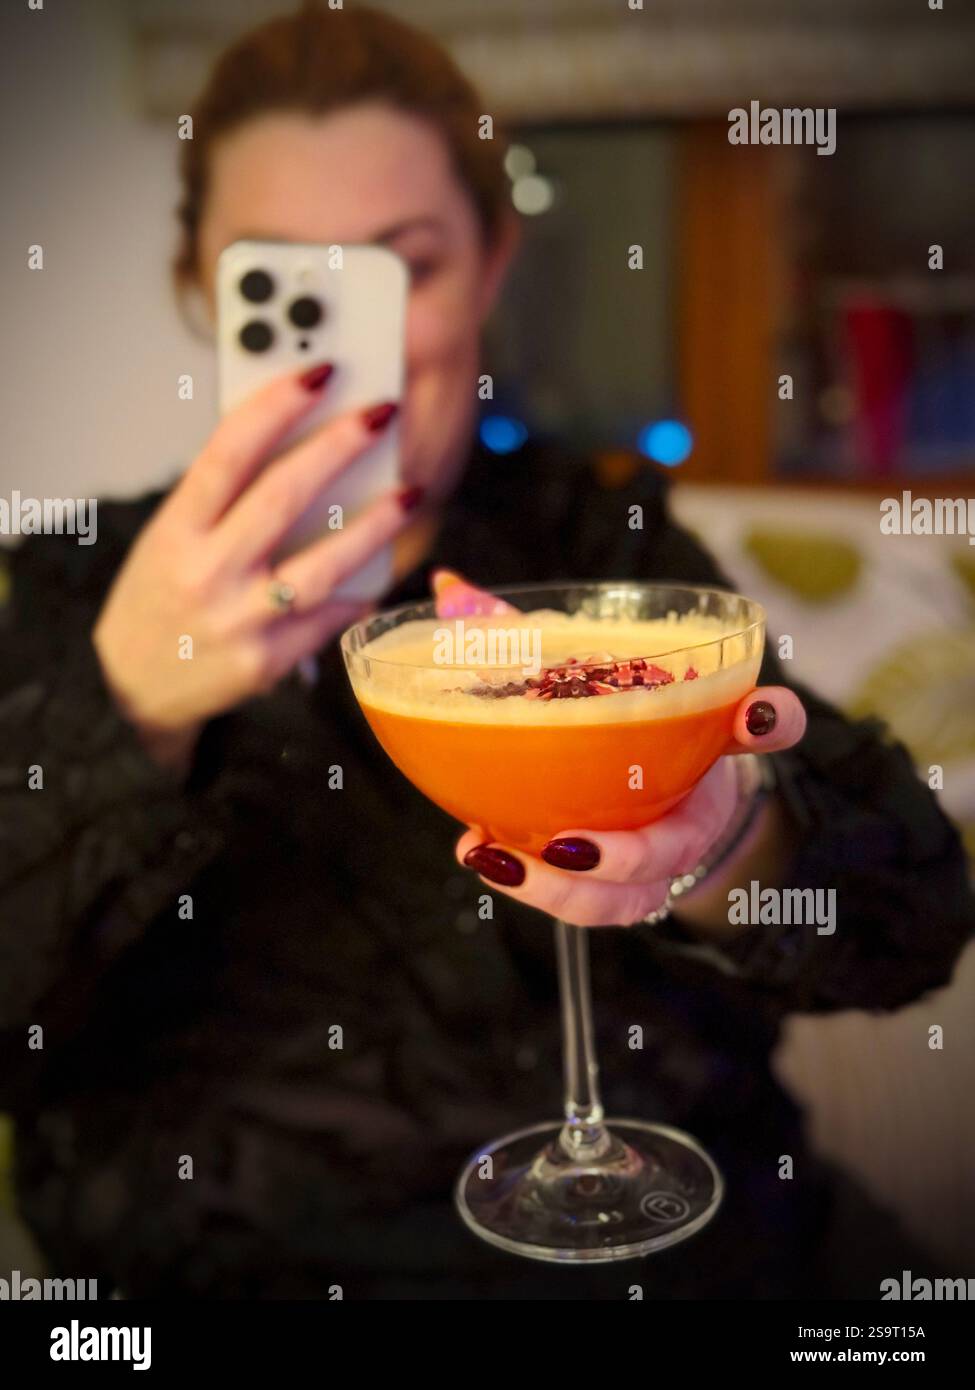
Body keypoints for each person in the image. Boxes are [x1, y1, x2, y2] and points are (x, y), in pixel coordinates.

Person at [0, 3, 971, 1300]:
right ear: (199, 292)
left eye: (405, 266)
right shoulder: (81, 578)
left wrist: (731, 840)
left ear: (495, 260)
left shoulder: (602, 552)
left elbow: (909, 930)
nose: (364, 347)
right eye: (280, 280)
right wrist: (122, 707)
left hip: (690, 1263)